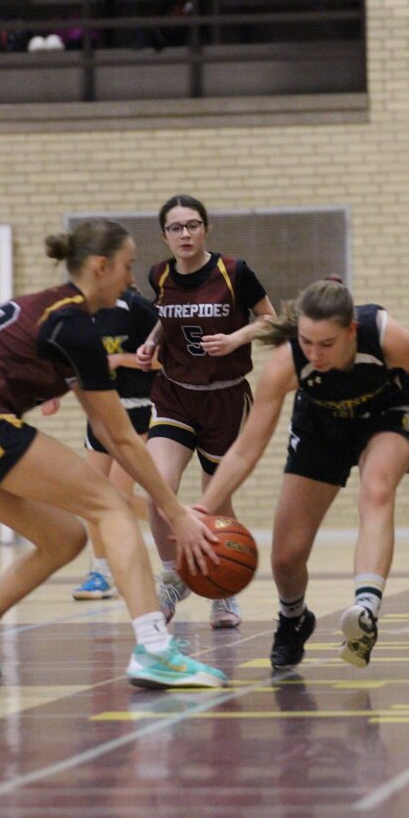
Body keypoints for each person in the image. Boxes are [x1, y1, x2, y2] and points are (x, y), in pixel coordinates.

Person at [0, 217, 228, 690]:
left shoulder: (55, 313)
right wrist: (175, 512)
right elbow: (120, 437)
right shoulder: (73, 324)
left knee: (64, 538)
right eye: (126, 266)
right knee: (111, 506)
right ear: (100, 266)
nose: (130, 278)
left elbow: (103, 423)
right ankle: (154, 648)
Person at [197, 276, 409, 668]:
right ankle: (293, 618)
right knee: (285, 557)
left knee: (376, 489)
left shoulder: (383, 335)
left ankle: (365, 612)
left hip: (389, 410)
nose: (314, 354)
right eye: (306, 342)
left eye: (326, 344)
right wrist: (203, 509)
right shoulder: (287, 363)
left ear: (351, 331)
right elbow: (245, 450)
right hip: (322, 422)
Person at [136, 194, 276, 629]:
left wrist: (236, 339)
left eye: (193, 225)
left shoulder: (234, 271)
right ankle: (172, 577)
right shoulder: (159, 274)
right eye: (176, 227)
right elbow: (167, 317)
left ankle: (221, 589)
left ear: (206, 229)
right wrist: (151, 342)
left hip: (225, 397)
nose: (185, 234)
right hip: (174, 394)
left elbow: (271, 319)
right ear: (165, 235)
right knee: (157, 488)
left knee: (215, 499)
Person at [42, 285, 161, 601]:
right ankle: (100, 572)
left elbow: (168, 359)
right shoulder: (81, 313)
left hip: (138, 409)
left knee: (119, 496)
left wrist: (121, 359)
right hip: (101, 412)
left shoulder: (136, 307)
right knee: (93, 495)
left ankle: (176, 521)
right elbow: (70, 360)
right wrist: (53, 391)